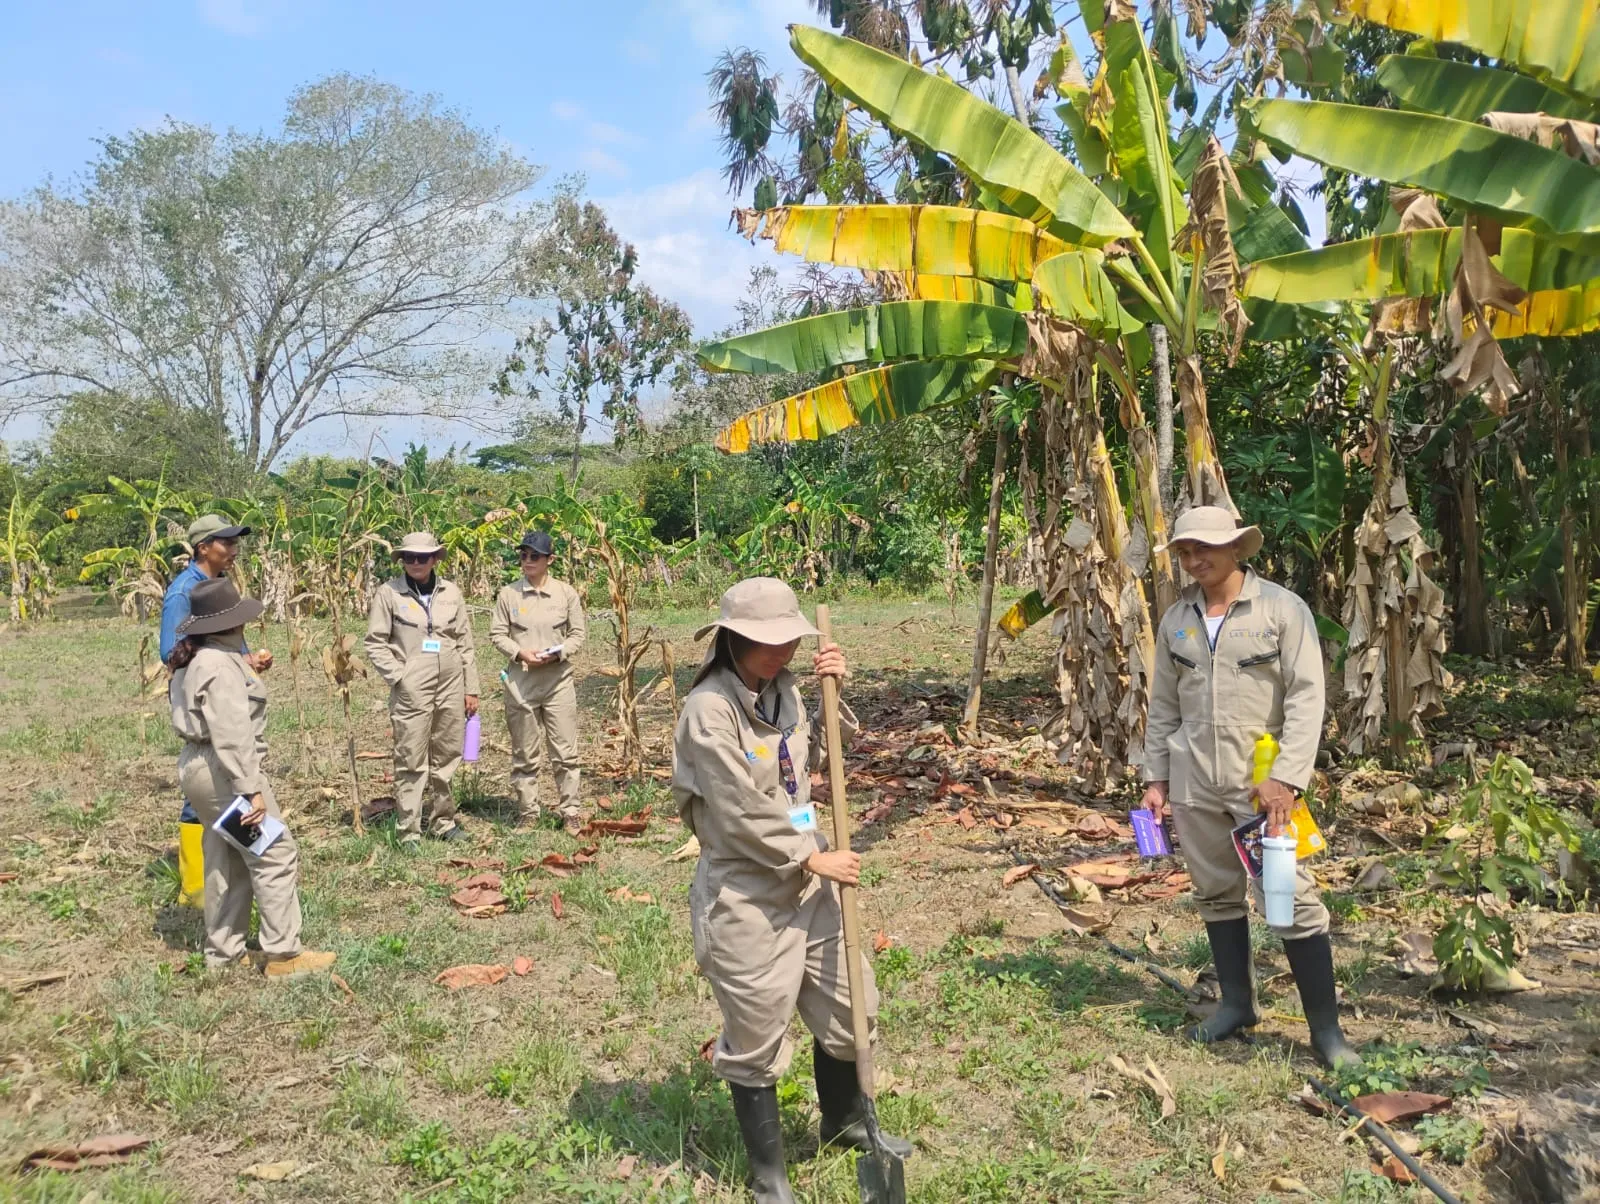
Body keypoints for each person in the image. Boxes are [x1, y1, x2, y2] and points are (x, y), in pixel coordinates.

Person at [671, 577, 912, 1204]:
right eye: (769, 642)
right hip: (748, 892)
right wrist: (812, 854)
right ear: (733, 640)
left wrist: (837, 689)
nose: (784, 652)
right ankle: (768, 1175)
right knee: (756, 1033)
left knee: (851, 1004)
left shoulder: (789, 694)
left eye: (790, 641)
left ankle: (846, 1120)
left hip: (812, 887)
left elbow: (830, 752)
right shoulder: (709, 710)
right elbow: (734, 808)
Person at [1141, 506, 1360, 1069]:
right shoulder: (1177, 620)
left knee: (1289, 900)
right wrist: (1157, 778)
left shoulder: (1281, 612)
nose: (1194, 561)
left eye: (1205, 549)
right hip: (1194, 783)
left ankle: (1327, 1034)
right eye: (1186, 552)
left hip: (1263, 791)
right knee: (1216, 893)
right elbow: (1164, 706)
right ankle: (1237, 1005)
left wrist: (1287, 777)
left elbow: (1308, 698)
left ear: (1237, 548)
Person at [168, 577, 333, 977]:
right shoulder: (220, 668)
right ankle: (282, 954)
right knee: (273, 851)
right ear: (232, 624)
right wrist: (251, 791)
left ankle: (224, 953)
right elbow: (232, 734)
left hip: (199, 769)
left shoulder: (197, 659)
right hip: (225, 772)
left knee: (229, 858)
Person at [364, 532, 480, 847]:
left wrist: (472, 688)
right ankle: (408, 830)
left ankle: (443, 822)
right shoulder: (389, 593)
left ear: (434, 559)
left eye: (423, 557)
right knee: (411, 759)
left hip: (451, 684)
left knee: (447, 755)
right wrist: (400, 677)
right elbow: (375, 643)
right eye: (410, 557)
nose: (416, 563)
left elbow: (465, 642)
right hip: (411, 688)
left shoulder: (451, 593)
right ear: (402, 560)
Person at [489, 530, 588, 833]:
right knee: (524, 752)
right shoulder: (509, 595)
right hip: (521, 683)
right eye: (523, 556)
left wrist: (559, 654)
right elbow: (496, 634)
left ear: (549, 560)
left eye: (534, 556)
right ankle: (528, 812)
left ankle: (570, 810)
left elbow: (578, 635)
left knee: (565, 751)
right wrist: (520, 652)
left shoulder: (565, 594)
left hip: (558, 681)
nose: (527, 561)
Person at [159, 514, 273, 672]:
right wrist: (235, 661)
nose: (235, 552)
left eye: (236, 544)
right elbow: (170, 653)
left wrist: (246, 660)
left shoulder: (220, 584)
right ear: (203, 548)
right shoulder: (182, 592)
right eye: (227, 544)